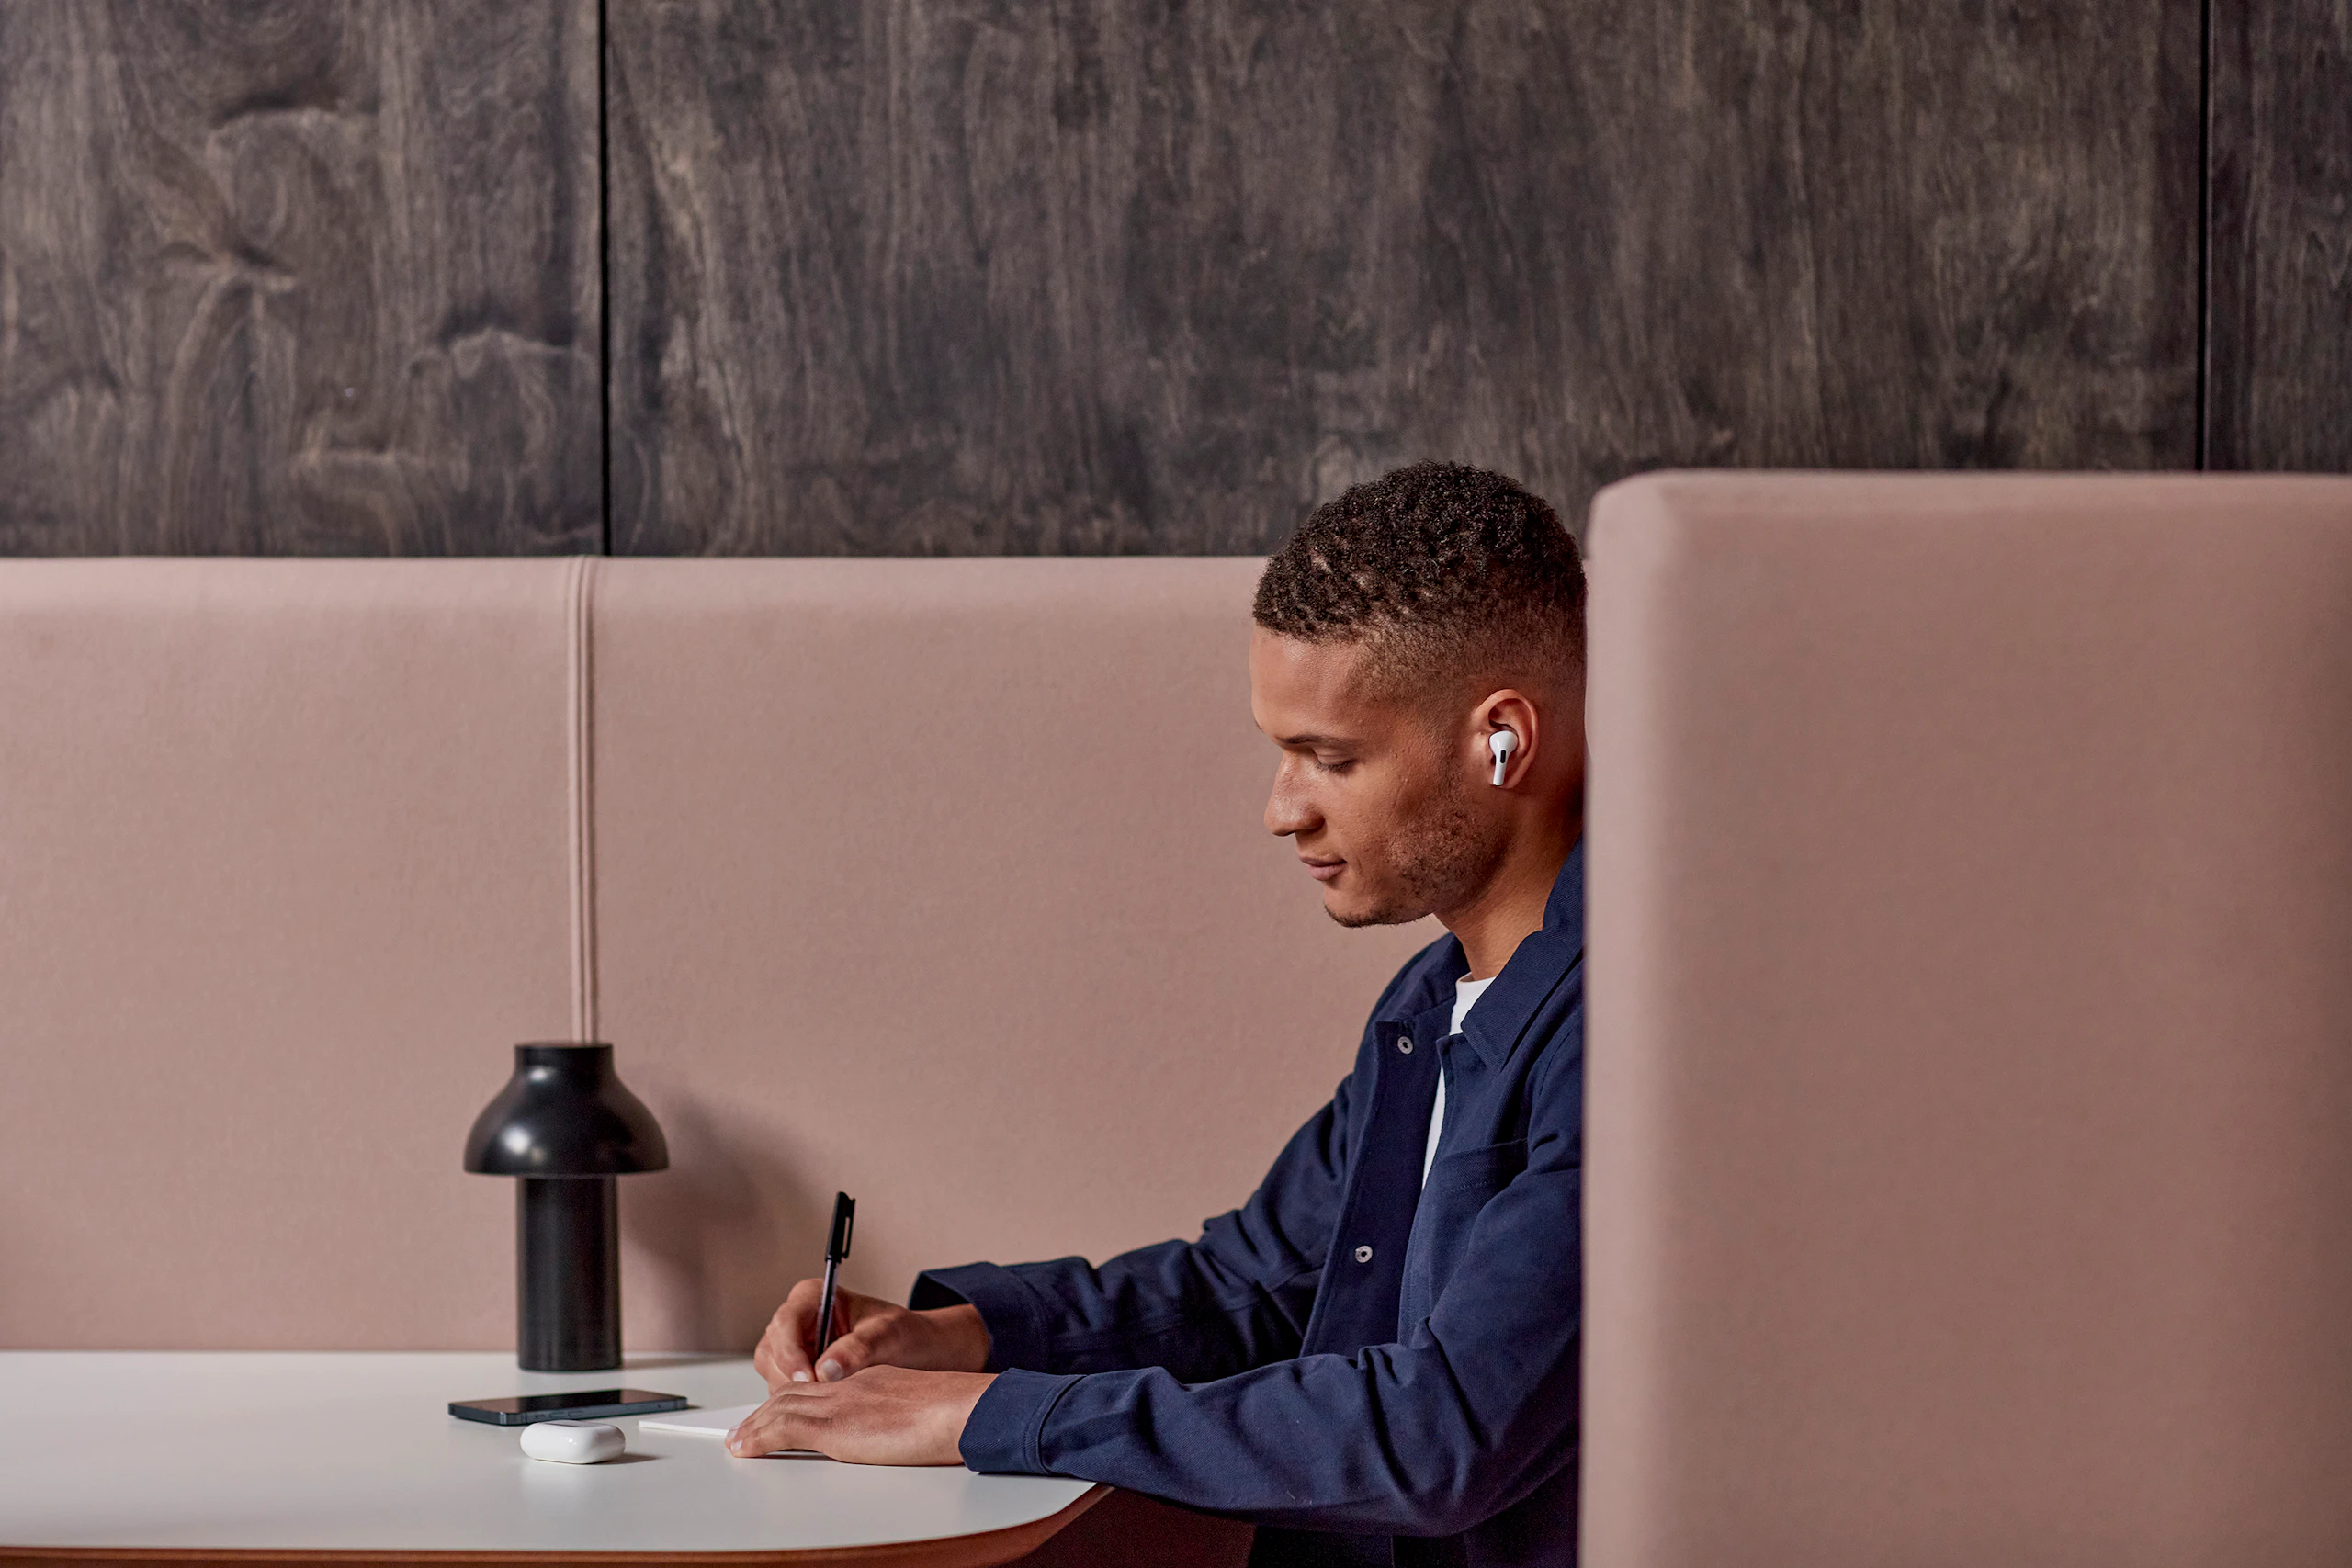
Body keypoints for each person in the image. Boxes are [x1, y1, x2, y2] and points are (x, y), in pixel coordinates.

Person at [727, 460, 1589, 1567]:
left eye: (1329, 758)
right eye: (1280, 753)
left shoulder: (1623, 1041)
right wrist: (962, 1340)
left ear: (1499, 739)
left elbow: (1441, 1434)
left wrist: (984, 1420)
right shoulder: (1429, 1007)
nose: (1280, 810)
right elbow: (1257, 1288)